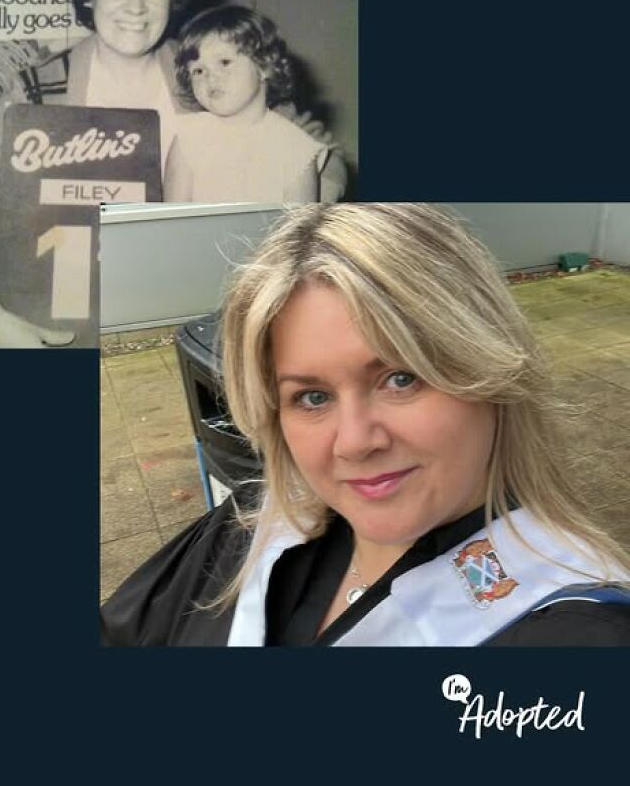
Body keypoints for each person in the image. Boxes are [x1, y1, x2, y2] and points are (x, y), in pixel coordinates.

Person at [101, 203, 630, 646]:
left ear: (490, 372)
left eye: (401, 379)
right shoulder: (250, 528)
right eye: (311, 396)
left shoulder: (573, 628)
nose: (354, 442)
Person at [0, 0, 346, 348]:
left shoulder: (201, 77)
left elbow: (321, 152)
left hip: (190, 325)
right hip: (61, 337)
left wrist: (299, 218)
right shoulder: (37, 92)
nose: (136, 6)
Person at [164, 6, 329, 203]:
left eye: (224, 62)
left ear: (264, 66)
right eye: (198, 71)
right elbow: (174, 219)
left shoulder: (296, 150)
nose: (210, 77)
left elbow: (298, 228)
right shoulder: (188, 137)